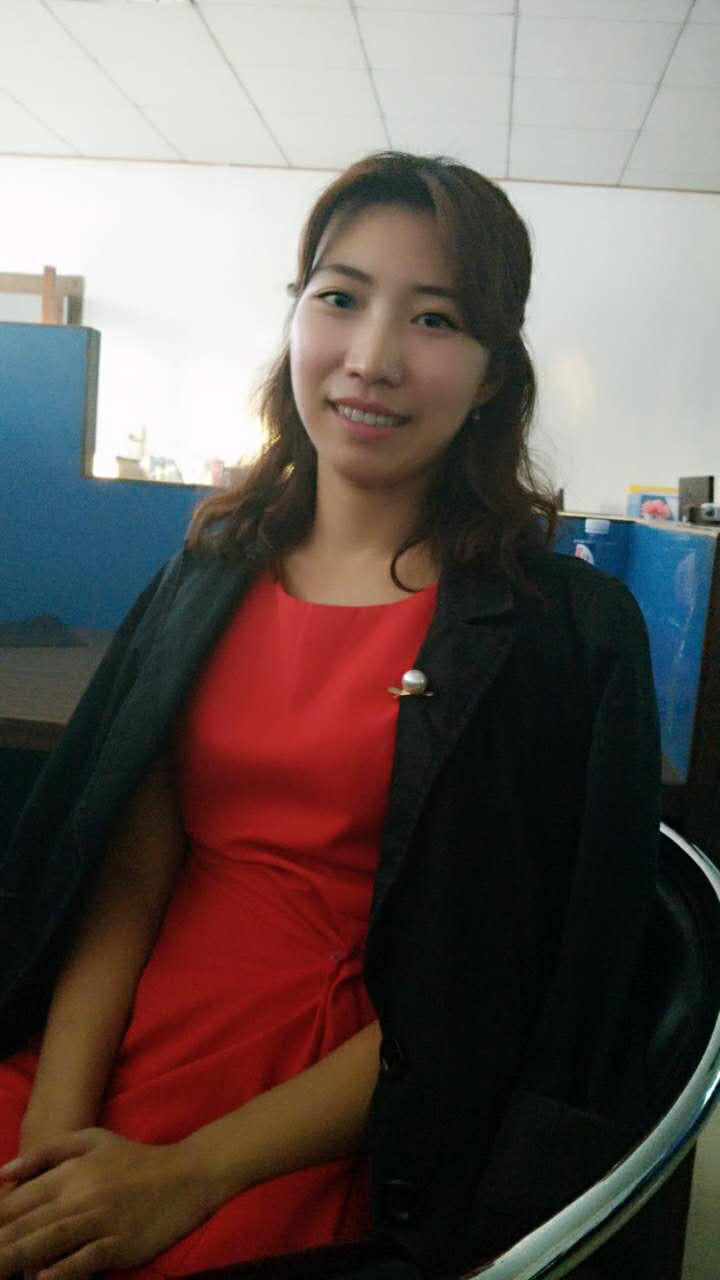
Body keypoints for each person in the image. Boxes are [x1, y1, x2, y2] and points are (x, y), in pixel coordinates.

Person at [0, 151, 660, 1280]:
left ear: (494, 374)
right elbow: (126, 881)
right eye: (341, 297)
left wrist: (188, 1173)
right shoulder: (208, 576)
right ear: (297, 316)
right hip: (117, 1037)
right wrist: (49, 1141)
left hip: (338, 1113)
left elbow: (491, 984)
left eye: (435, 318)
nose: (372, 358)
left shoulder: (558, 633)